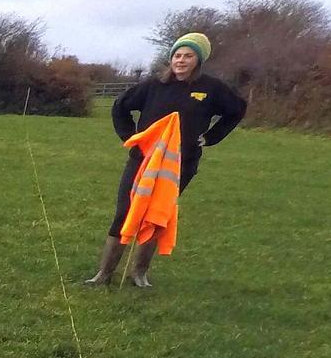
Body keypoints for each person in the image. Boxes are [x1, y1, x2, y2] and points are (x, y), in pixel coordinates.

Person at [84, 32, 247, 288]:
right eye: (177, 55)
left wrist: (212, 137)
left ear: (198, 60)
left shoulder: (212, 89)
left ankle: (139, 273)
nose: (181, 60)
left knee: (156, 215)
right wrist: (132, 136)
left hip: (180, 165)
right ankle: (104, 273)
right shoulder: (153, 86)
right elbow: (120, 107)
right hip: (143, 162)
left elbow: (237, 110)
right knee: (125, 212)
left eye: (188, 56)